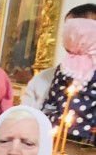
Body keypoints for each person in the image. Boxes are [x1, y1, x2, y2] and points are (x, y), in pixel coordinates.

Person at [32, 15, 96, 147]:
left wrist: (46, 114)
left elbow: (54, 95)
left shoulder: (65, 65)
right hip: (89, 129)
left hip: (60, 126)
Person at [22, 3, 96, 110]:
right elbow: (25, 118)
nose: (77, 36)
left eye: (87, 30)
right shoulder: (42, 80)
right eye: (71, 30)